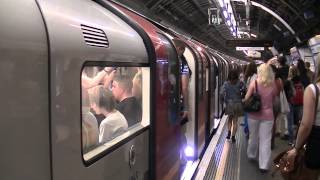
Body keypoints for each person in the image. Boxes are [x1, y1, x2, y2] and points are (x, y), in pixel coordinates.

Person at [286, 54, 320, 180]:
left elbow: (306, 125)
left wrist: (296, 148)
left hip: (317, 140)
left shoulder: (313, 89)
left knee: (311, 175)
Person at [244, 63, 278, 172]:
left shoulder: (254, 83)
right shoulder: (273, 85)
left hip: (253, 115)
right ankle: (263, 165)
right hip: (268, 116)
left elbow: (246, 97)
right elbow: (274, 99)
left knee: (253, 136)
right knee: (265, 140)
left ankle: (252, 154)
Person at [220, 70, 243, 142]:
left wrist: (223, 100)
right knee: (235, 121)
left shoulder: (226, 83)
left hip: (229, 103)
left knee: (230, 119)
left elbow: (221, 93)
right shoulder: (240, 83)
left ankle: (229, 132)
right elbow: (245, 89)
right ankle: (233, 137)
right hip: (238, 103)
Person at [173, 39, 191, 123]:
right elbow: (184, 87)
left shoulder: (163, 59)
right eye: (182, 51)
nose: (182, 54)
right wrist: (186, 108)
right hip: (175, 100)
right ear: (179, 48)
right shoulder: (183, 64)